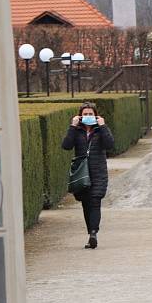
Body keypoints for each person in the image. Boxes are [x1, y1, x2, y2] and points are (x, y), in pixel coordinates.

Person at [62, 102, 115, 249]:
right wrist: (72, 126)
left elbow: (110, 144)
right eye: (85, 114)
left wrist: (103, 126)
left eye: (90, 114)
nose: (88, 116)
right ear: (80, 116)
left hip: (98, 172)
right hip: (82, 173)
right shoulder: (77, 131)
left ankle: (93, 233)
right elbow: (66, 145)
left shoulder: (100, 130)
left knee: (95, 201)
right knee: (86, 204)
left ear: (96, 115)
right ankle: (91, 233)